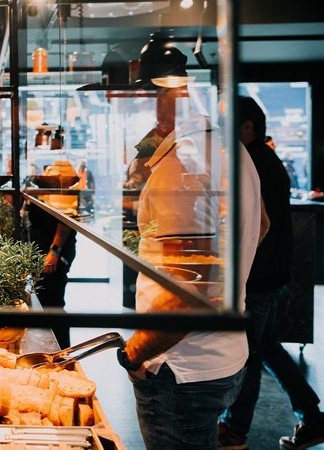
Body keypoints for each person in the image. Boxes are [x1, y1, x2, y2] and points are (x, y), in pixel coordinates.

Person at [116, 88, 268, 450]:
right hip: (227, 355)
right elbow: (261, 225)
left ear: (162, 108)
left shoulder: (179, 164)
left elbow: (186, 294)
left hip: (181, 367)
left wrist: (133, 354)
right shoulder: (233, 149)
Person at [218, 97, 324, 450]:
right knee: (264, 347)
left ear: (247, 126)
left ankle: (234, 430)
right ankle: (313, 418)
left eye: (229, 122)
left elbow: (259, 225)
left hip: (259, 276)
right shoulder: (263, 158)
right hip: (270, 273)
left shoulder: (253, 161)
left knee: (247, 355)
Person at [28, 204, 76, 349]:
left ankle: (62, 353)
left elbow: (66, 216)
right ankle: (50, 350)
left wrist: (54, 251)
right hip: (43, 249)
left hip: (54, 253)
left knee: (54, 305)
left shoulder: (59, 194)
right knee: (45, 303)